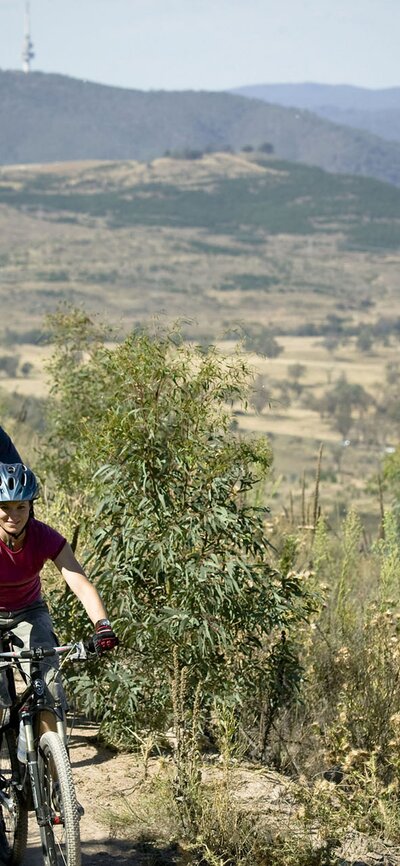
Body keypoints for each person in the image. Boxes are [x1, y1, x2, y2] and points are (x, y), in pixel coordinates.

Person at [0, 461, 118, 720]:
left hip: (29, 612)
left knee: (49, 689)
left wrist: (103, 625)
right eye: (4, 507)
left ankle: (53, 751)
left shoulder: (43, 537)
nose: (13, 515)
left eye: (21, 506)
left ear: (31, 506)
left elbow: (80, 583)